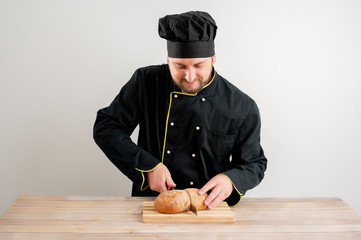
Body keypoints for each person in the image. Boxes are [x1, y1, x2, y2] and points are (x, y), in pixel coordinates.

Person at [93, 11, 267, 209]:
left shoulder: (241, 105)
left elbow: (254, 163)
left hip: (209, 209)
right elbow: (106, 127)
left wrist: (230, 179)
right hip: (153, 204)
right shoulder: (146, 82)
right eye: (180, 66)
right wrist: (147, 165)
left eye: (199, 65)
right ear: (168, 60)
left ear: (213, 58)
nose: (190, 76)